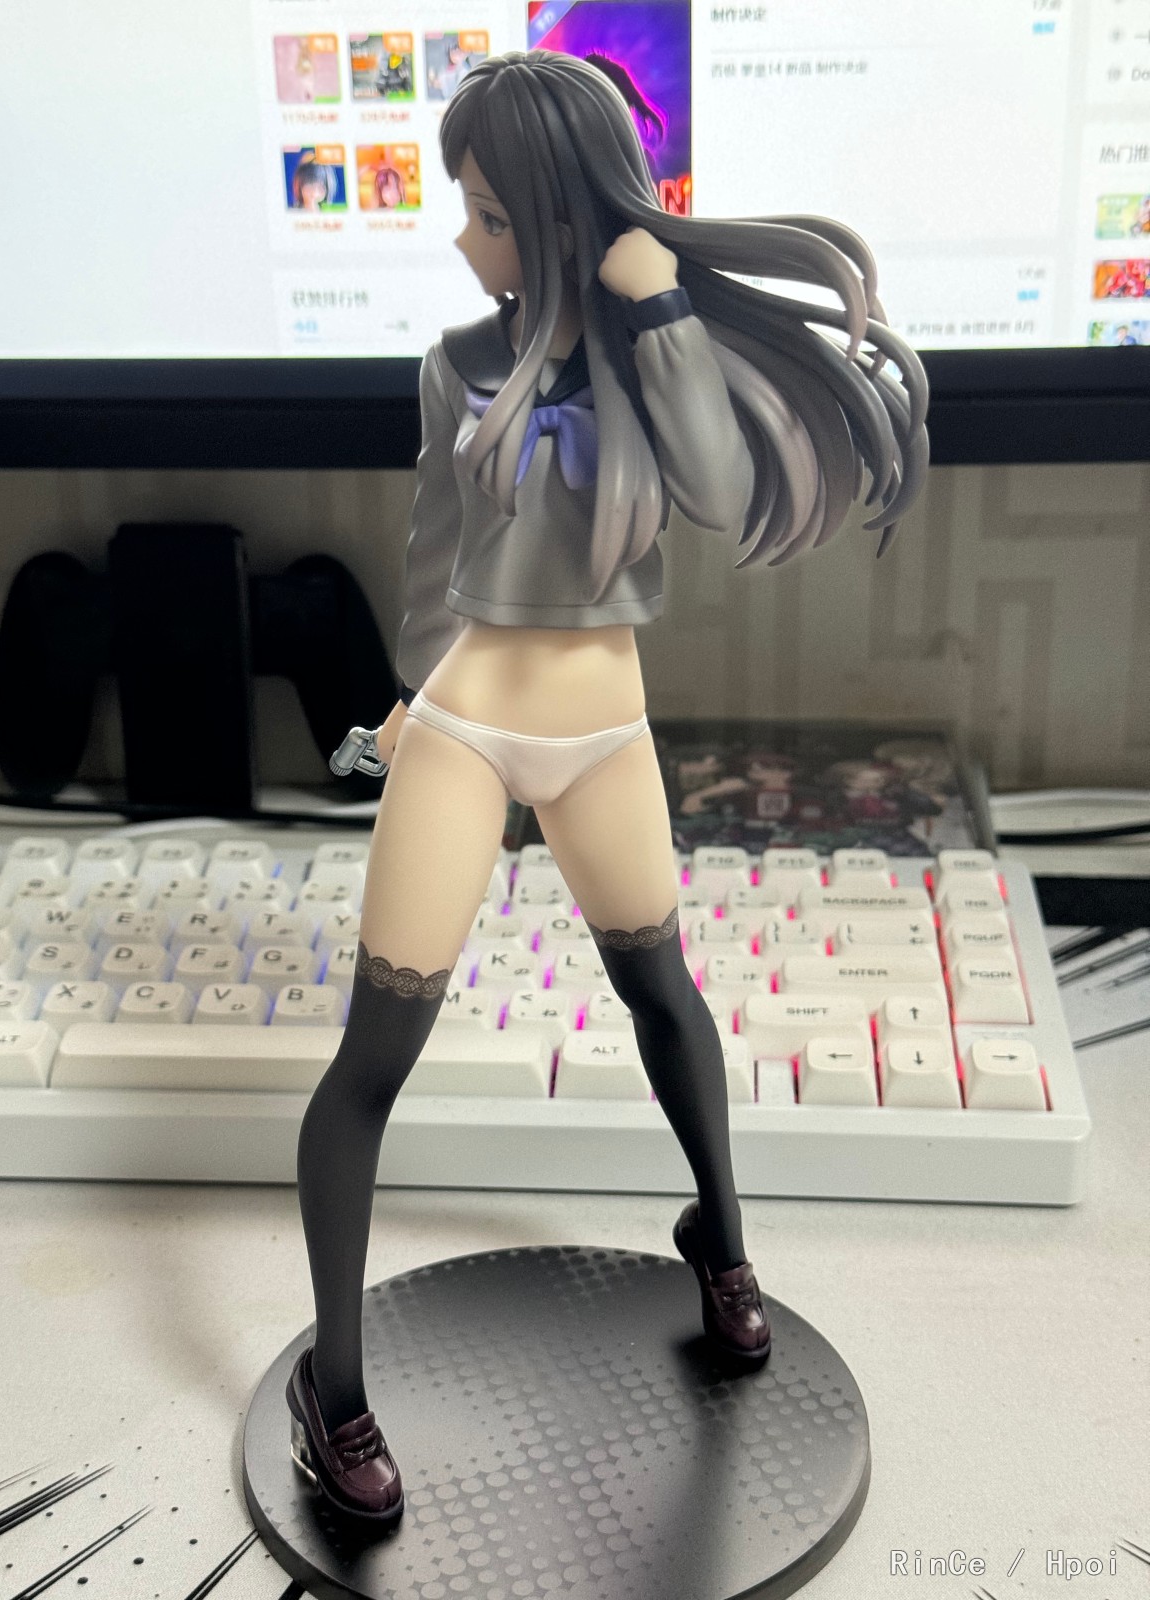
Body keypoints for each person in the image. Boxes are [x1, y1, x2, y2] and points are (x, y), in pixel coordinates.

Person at [286, 48, 930, 1528]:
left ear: (566, 222)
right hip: (463, 729)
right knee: (375, 1055)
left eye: (493, 216)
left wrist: (661, 307)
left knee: (666, 998)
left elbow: (715, 489)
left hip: (604, 736)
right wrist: (402, 702)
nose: (466, 241)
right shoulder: (457, 361)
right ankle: (338, 1383)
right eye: (467, 211)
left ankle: (725, 1245)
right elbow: (431, 555)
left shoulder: (649, 356)